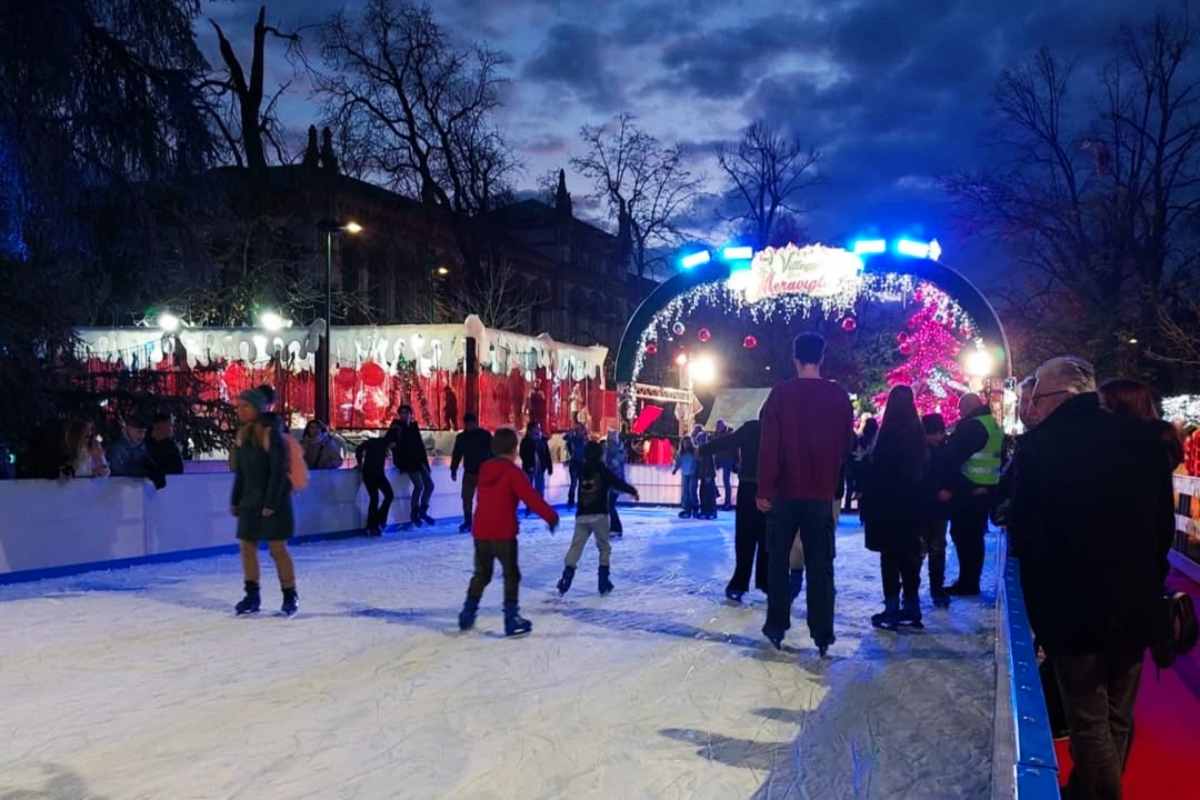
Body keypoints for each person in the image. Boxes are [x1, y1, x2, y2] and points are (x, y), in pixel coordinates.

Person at [1010, 357, 1174, 800]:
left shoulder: (1039, 449)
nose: (1034, 408)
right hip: (1135, 604)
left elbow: (1028, 540)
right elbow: (1163, 531)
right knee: (1116, 716)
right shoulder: (1143, 441)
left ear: (1058, 396)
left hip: (1073, 610)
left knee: (1088, 720)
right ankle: (1087, 789)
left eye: (1038, 397)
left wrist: (1041, 617)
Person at [757, 333, 854, 656]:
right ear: (821, 357)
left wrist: (765, 488)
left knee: (778, 562)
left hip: (785, 493)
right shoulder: (838, 396)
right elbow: (845, 444)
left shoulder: (781, 395)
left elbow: (769, 445)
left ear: (795, 358)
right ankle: (823, 632)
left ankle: (776, 625)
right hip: (820, 494)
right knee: (820, 564)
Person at [458, 428, 559, 636]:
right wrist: (551, 516)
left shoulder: (485, 469)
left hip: (482, 532)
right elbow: (531, 497)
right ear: (515, 450)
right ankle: (511, 617)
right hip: (503, 533)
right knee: (511, 575)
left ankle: (468, 612)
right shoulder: (513, 472)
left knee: (482, 574)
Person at [860, 386, 930, 630]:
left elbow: (874, 473)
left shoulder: (885, 436)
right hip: (911, 507)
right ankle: (911, 604)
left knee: (889, 558)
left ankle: (891, 607)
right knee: (910, 557)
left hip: (887, 508)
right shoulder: (917, 436)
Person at [230, 389, 299, 616]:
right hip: (250, 500)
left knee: (277, 548)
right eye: (239, 406)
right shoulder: (243, 434)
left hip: (274, 499)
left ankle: (290, 595)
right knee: (247, 547)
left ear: (258, 408)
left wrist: (271, 503)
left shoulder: (271, 433)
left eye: (245, 406)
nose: (240, 410)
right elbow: (241, 473)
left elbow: (279, 471)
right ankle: (252, 595)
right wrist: (236, 499)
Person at [556, 440, 639, 596]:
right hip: (600, 515)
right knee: (604, 548)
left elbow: (573, 465)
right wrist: (632, 490)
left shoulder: (582, 469)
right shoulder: (602, 470)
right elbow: (617, 483)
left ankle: (567, 576)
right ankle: (603, 581)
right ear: (600, 454)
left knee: (576, 547)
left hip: (582, 515)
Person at [940, 392, 1002, 597]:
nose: (959, 414)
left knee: (965, 536)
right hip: (986, 488)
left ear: (967, 408)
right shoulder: (992, 423)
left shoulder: (972, 426)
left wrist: (953, 486)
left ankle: (968, 583)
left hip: (969, 491)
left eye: (960, 410)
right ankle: (970, 580)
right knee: (974, 537)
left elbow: (953, 457)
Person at [700, 419, 767, 603]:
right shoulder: (779, 428)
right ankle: (764, 582)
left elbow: (728, 441)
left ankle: (741, 583)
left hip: (752, 486)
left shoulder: (753, 427)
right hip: (767, 489)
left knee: (746, 538)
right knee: (765, 538)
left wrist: (704, 449)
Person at [1099, 378, 1185, 471]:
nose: (1100, 408)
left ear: (1123, 404)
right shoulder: (1162, 431)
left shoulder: (1153, 434)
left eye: (1105, 403)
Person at [920, 413, 952, 608]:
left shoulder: (944, 452)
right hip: (928, 507)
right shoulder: (921, 452)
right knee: (924, 549)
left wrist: (948, 490)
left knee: (936, 549)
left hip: (937, 508)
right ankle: (916, 590)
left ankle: (936, 589)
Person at [390, 405, 435, 527]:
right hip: (408, 461)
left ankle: (422, 511)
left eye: (406, 413)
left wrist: (425, 463)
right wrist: (398, 461)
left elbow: (420, 446)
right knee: (419, 486)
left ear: (411, 414)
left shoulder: (413, 427)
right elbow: (390, 442)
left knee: (430, 485)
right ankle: (415, 513)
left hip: (419, 460)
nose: (404, 415)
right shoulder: (396, 427)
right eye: (402, 413)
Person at [450, 413, 493, 533]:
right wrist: (453, 469)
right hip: (469, 472)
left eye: (471, 423)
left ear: (476, 423)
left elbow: (494, 452)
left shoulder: (485, 435)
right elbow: (457, 454)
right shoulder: (461, 438)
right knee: (466, 498)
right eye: (467, 424)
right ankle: (468, 521)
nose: (469, 426)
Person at [108, 416, 166, 489]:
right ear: (129, 429)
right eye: (139, 432)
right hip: (118, 490)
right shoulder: (118, 448)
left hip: (136, 491)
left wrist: (155, 471)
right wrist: (145, 472)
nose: (142, 436)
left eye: (144, 432)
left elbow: (147, 461)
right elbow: (119, 470)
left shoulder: (142, 446)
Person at [355, 434, 394, 536]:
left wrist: (360, 463)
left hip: (375, 474)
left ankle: (375, 523)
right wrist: (360, 464)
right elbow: (359, 449)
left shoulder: (376, 442)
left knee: (379, 498)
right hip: (371, 474)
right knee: (381, 497)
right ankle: (375, 523)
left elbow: (359, 449)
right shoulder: (378, 443)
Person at [519, 422, 553, 517]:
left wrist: (549, 467)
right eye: (536, 428)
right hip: (529, 467)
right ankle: (529, 508)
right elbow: (523, 454)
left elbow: (547, 454)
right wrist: (528, 465)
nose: (538, 429)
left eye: (538, 428)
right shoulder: (526, 441)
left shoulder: (541, 440)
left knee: (540, 489)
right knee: (529, 490)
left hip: (540, 468)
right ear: (530, 430)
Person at [845, 417, 878, 512]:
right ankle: (862, 510)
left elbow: (855, 450)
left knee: (850, 487)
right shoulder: (877, 437)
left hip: (854, 464)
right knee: (864, 489)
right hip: (867, 466)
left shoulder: (859, 437)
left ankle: (848, 508)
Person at [604, 430, 628, 535]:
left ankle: (616, 528)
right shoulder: (614, 451)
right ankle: (614, 528)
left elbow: (614, 466)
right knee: (609, 505)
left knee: (610, 505)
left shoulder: (615, 452)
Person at [563, 422, 589, 508]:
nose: (578, 431)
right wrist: (570, 433)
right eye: (577, 430)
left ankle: (580, 501)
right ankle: (571, 501)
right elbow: (565, 438)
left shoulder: (585, 439)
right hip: (574, 463)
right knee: (574, 483)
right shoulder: (573, 438)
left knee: (581, 484)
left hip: (581, 464)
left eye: (579, 429)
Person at [672, 436, 699, 518]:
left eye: (688, 442)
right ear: (682, 444)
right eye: (684, 443)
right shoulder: (680, 453)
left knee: (692, 492)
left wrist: (696, 470)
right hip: (685, 474)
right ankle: (687, 510)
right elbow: (678, 463)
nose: (686, 444)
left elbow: (698, 461)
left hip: (693, 474)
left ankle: (695, 509)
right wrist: (675, 469)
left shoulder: (694, 451)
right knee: (686, 493)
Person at [695, 430, 719, 520]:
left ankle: (711, 511)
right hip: (704, 476)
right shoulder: (701, 450)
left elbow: (709, 464)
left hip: (708, 475)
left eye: (701, 439)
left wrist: (708, 475)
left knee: (709, 494)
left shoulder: (707, 450)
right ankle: (705, 510)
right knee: (703, 493)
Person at [714, 419, 736, 511]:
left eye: (720, 426)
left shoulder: (728, 435)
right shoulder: (718, 435)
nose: (718, 428)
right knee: (720, 480)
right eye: (717, 426)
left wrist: (736, 460)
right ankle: (723, 500)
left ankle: (727, 503)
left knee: (726, 481)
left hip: (727, 459)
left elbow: (733, 448)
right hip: (722, 459)